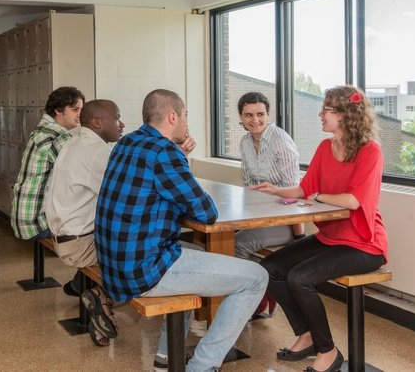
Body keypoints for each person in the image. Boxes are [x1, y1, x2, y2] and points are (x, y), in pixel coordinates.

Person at [94, 89, 268, 372]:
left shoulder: (127, 143)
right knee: (257, 278)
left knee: (197, 252)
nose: (187, 123)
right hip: (142, 271)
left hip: (114, 266)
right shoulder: (164, 151)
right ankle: (202, 366)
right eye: (185, 116)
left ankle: (165, 357)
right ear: (173, 116)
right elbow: (206, 212)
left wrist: (178, 157)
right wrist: (179, 156)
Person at [253, 85, 388, 372]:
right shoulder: (325, 148)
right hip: (331, 237)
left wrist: (318, 197)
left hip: (364, 244)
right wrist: (276, 190)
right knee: (271, 267)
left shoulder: (370, 151)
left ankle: (328, 351)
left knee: (300, 278)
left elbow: (354, 200)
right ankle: (307, 335)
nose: (320, 114)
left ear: (345, 114)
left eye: (326, 109)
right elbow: (306, 188)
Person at [44, 99, 125, 347]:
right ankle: (102, 296)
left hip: (65, 237)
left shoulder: (76, 142)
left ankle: (91, 291)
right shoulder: (96, 152)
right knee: (147, 260)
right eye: (117, 118)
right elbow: (125, 195)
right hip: (80, 245)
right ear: (98, 122)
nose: (122, 124)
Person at [235, 91, 303, 318]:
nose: (255, 120)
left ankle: (247, 305)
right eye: (249, 115)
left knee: (237, 245)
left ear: (268, 113)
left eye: (260, 114)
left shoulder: (280, 140)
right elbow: (248, 186)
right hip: (257, 216)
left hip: (284, 221)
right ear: (240, 117)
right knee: (222, 239)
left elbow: (296, 194)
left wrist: (299, 238)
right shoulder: (245, 142)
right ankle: (263, 295)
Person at [11, 86, 84, 242]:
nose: (80, 115)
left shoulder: (43, 130)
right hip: (37, 223)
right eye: (75, 109)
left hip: (25, 219)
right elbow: (80, 169)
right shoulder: (55, 134)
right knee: (94, 225)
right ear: (58, 110)